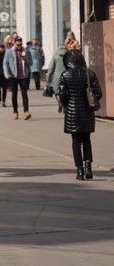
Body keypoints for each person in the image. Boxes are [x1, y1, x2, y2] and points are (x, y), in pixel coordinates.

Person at [58, 49, 103, 180]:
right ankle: (88, 168)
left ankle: (79, 170)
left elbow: (62, 96)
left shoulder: (65, 75)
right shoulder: (90, 74)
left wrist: (67, 104)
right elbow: (98, 93)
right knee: (87, 140)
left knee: (76, 142)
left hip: (72, 114)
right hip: (87, 113)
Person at [4, 36, 33, 120]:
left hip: (23, 75)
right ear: (14, 43)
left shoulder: (26, 51)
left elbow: (31, 63)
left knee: (24, 93)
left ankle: (26, 112)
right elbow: (5, 63)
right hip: (13, 75)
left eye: (21, 44)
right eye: (18, 45)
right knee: (14, 94)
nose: (19, 46)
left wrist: (25, 59)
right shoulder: (9, 51)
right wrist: (6, 73)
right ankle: (15, 112)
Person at [45, 40, 70, 113]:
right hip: (67, 75)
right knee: (67, 92)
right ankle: (65, 106)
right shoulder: (69, 54)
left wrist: (48, 78)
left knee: (57, 92)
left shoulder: (55, 55)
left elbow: (51, 68)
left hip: (57, 77)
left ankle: (59, 102)